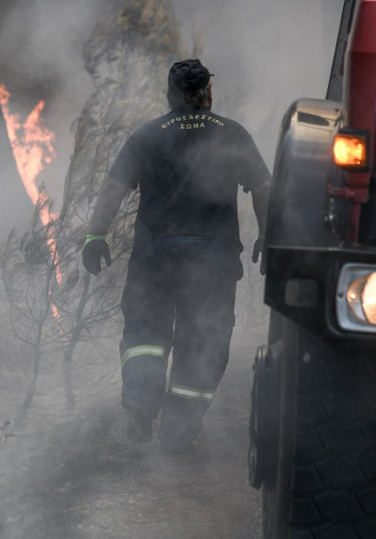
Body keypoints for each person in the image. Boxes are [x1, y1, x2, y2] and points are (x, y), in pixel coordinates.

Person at [82, 59, 271, 455]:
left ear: (169, 96)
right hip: (212, 256)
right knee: (203, 340)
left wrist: (95, 236)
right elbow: (263, 188)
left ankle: (141, 405)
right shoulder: (232, 133)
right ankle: (179, 431)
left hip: (154, 255)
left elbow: (113, 189)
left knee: (145, 335)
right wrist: (269, 237)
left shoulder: (146, 135)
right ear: (208, 93)